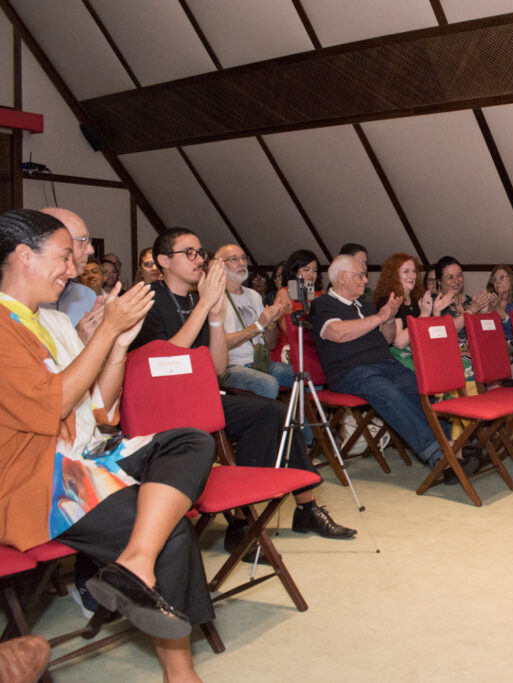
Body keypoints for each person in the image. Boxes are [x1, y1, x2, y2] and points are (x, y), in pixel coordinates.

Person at [0, 208, 214, 681]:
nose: (73, 268)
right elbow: (56, 401)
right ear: (24, 256)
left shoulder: (53, 321)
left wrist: (116, 346)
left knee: (189, 440)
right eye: (64, 256)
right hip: (32, 480)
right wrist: (108, 331)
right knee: (166, 530)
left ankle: (135, 562)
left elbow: (97, 407)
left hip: (85, 455)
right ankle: (181, 673)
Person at [130, 229, 355, 554]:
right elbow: (165, 362)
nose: (198, 259)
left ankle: (299, 509)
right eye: (189, 253)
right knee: (266, 408)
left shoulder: (196, 299)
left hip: (203, 395)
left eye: (200, 252)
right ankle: (243, 521)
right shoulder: (147, 299)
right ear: (164, 260)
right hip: (163, 405)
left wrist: (215, 317)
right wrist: (206, 306)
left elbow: (217, 367)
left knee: (275, 413)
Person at [309, 254, 481, 479]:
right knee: (391, 395)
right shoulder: (323, 304)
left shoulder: (364, 305)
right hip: (351, 371)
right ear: (341, 277)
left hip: (385, 364)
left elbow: (387, 338)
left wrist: (389, 319)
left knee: (423, 388)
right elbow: (338, 333)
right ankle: (440, 456)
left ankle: (454, 444)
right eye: (360, 275)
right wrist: (381, 316)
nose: (365, 281)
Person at [215, 244, 291, 399]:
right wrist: (259, 325)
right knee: (268, 383)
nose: (242, 263)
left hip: (259, 363)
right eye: (234, 259)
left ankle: (299, 416)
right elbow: (221, 344)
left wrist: (271, 323)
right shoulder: (215, 297)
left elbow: (271, 344)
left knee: (302, 375)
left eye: (244, 258)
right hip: (230, 367)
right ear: (220, 265)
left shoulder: (254, 295)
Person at [38, 208, 99, 332]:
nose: (91, 250)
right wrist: (77, 339)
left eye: (89, 241)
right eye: (82, 241)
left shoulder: (87, 296)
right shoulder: (16, 301)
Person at [373, 253, 432, 370]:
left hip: (420, 351)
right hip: (398, 358)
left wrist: (437, 312)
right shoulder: (390, 301)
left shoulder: (417, 298)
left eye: (414, 271)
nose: (412, 276)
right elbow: (399, 343)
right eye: (406, 271)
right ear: (394, 276)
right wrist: (423, 315)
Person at [433, 255, 495, 346]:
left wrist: (483, 313)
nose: (456, 281)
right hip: (449, 350)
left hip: (473, 350)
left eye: (459, 275)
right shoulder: (434, 301)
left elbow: (481, 334)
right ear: (439, 281)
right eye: (450, 277)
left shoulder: (468, 300)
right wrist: (472, 310)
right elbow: (446, 330)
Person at [484, 265, 513, 344]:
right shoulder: (490, 299)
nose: (498, 282)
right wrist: (486, 312)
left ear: (511, 280)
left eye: (502, 278)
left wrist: (498, 310)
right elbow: (484, 330)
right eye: (494, 279)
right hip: (492, 343)